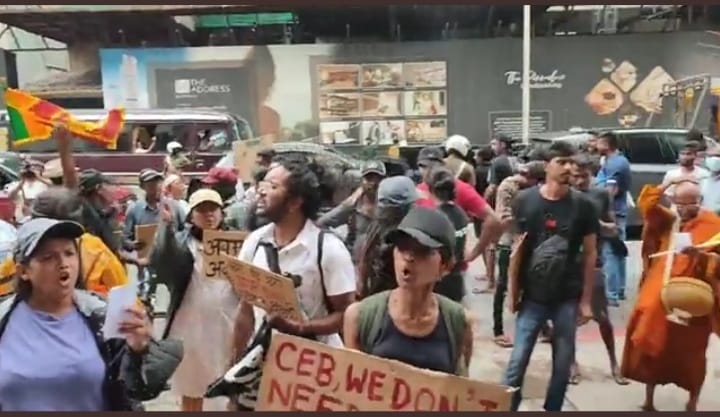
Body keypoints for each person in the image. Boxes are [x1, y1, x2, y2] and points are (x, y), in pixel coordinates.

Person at [0, 217, 181, 411]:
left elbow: (137, 389)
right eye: (48, 257)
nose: (63, 263)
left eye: (69, 253)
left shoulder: (101, 315)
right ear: (23, 271)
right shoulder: (4, 319)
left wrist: (139, 350)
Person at [502, 140, 598, 412]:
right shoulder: (525, 200)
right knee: (517, 361)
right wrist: (512, 291)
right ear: (547, 166)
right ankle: (506, 406)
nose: (569, 167)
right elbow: (516, 250)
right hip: (532, 297)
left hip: (566, 296)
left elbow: (590, 254)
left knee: (562, 362)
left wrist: (586, 300)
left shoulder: (584, 206)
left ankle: (552, 408)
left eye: (572, 162)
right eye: (562, 162)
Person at [231, 157, 356, 359]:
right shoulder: (255, 242)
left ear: (295, 202)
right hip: (267, 365)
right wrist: (234, 362)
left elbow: (348, 315)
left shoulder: (328, 249)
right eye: (262, 184)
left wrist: (300, 327)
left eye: (272, 186)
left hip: (315, 368)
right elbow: (246, 309)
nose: (261, 192)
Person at [621, 178, 720, 411]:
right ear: (674, 202)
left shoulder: (714, 225)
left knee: (692, 353)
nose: (685, 209)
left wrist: (703, 257)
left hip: (693, 298)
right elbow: (646, 205)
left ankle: (692, 402)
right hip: (660, 289)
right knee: (649, 342)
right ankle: (649, 399)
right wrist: (668, 185)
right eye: (680, 203)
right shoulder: (669, 220)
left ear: (700, 201)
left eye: (691, 203)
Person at [343, 206, 473, 376]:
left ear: (445, 266)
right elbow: (352, 386)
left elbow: (459, 390)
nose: (409, 258)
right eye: (402, 247)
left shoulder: (458, 322)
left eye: (423, 251)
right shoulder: (359, 317)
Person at [150, 189, 239, 412]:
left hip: (229, 326)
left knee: (231, 386)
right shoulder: (180, 244)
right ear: (191, 216)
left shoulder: (239, 242)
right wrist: (166, 228)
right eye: (201, 210)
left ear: (222, 213)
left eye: (213, 210)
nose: (208, 215)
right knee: (192, 387)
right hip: (190, 328)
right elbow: (161, 263)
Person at [0, 187, 129, 298]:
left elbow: (4, 285)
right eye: (47, 257)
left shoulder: (25, 244)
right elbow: (125, 300)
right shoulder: (93, 247)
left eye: (68, 253)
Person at [569, 156, 628, 386]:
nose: (580, 180)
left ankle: (614, 362)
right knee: (569, 318)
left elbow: (612, 227)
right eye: (576, 176)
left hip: (594, 263)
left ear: (591, 174)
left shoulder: (601, 194)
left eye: (584, 175)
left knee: (602, 317)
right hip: (569, 263)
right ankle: (572, 363)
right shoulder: (565, 196)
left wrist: (596, 225)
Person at [414, 146, 502, 285]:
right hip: (423, 270)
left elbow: (494, 220)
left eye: (432, 166)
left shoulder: (458, 188)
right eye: (424, 166)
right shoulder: (414, 192)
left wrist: (474, 252)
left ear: (441, 165)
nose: (428, 171)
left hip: (452, 272)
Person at [491, 161, 545, 348]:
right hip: (510, 242)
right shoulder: (509, 187)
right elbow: (503, 218)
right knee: (503, 285)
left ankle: (543, 327)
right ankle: (498, 330)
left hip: (532, 241)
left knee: (534, 284)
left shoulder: (536, 190)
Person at [357, 176, 418, 299]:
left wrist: (362, 285)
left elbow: (365, 257)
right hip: (396, 296)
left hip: (378, 292)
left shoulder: (378, 224)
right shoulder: (412, 230)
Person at [318, 160, 386, 261]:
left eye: (377, 179)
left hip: (380, 263)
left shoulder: (388, 204)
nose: (373, 183)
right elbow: (322, 223)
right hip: (355, 261)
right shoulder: (353, 205)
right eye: (369, 178)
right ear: (362, 180)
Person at [595, 132, 632, 304]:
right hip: (617, 211)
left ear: (607, 144)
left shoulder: (616, 163)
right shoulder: (614, 161)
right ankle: (619, 289)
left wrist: (608, 217)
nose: (595, 145)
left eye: (598, 142)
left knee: (610, 253)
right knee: (618, 252)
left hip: (613, 213)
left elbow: (611, 192)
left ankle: (612, 294)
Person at [425, 165, 468, 303]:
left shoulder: (434, 218)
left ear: (430, 190)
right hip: (456, 280)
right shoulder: (460, 214)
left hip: (439, 284)